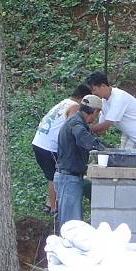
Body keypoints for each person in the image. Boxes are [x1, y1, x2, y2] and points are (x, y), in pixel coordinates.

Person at [31, 83, 91, 214]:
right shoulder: (75, 107)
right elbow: (71, 125)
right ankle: (54, 208)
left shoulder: (64, 102)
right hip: (49, 146)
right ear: (83, 99)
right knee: (54, 176)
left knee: (51, 175)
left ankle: (50, 204)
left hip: (39, 142)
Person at [54, 94, 108, 227]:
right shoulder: (76, 123)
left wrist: (108, 148)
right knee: (71, 225)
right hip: (68, 179)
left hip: (69, 178)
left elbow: (91, 138)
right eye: (98, 113)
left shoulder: (77, 122)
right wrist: (103, 150)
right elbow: (84, 138)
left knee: (72, 223)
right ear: (94, 112)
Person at [87, 72, 136, 150]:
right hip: (130, 135)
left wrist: (86, 130)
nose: (93, 93)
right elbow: (101, 130)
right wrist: (95, 113)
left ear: (103, 86)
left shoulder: (118, 98)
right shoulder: (103, 102)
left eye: (94, 90)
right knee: (124, 157)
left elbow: (106, 125)